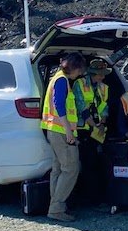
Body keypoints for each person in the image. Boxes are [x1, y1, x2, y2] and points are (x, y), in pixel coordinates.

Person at [40, 52, 87, 222]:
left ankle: (56, 206)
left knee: (58, 169)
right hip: (60, 131)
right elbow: (59, 105)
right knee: (71, 168)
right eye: (79, 70)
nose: (80, 74)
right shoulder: (62, 81)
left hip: (52, 130)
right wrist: (68, 131)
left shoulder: (56, 78)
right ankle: (57, 208)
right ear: (74, 68)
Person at [70, 58, 112, 204]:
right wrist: (95, 126)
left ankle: (100, 195)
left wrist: (102, 123)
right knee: (88, 164)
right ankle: (90, 198)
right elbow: (82, 108)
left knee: (98, 163)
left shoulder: (103, 87)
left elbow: (103, 107)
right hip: (84, 130)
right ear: (93, 73)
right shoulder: (79, 84)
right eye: (100, 74)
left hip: (97, 130)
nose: (103, 77)